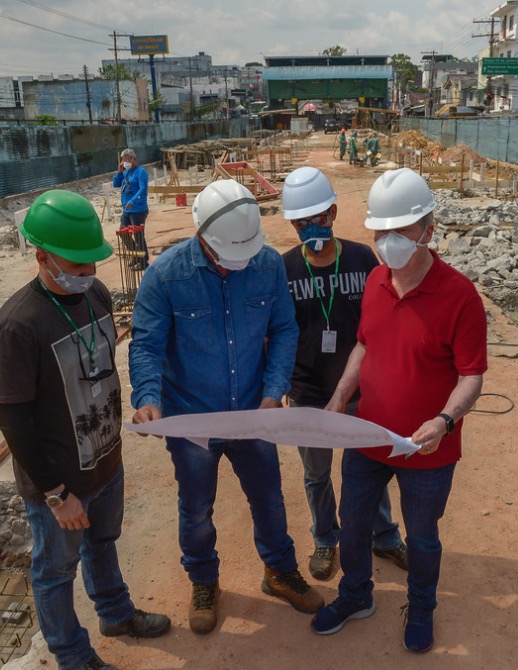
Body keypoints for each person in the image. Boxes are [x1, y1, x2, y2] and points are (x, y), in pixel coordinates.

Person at [129, 178, 323, 635]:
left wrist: (273, 392)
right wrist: (148, 398)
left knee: (269, 498)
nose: (239, 264)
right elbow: (147, 344)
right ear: (202, 235)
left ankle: (280, 572)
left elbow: (284, 329)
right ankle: (204, 582)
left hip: (253, 412)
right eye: (228, 257)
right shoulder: (166, 275)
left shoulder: (267, 264)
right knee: (196, 508)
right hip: (192, 419)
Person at [0, 190, 170, 670]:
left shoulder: (97, 294)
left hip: (105, 461)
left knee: (103, 544)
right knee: (54, 572)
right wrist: (56, 493)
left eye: (92, 262)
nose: (87, 272)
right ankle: (72, 656)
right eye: (75, 264)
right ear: (41, 256)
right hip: (60, 483)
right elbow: (13, 420)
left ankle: (115, 613)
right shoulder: (16, 327)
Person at [310, 168, 487, 653]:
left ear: (428, 229)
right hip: (369, 436)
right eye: (380, 231)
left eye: (400, 230)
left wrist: (443, 421)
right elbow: (364, 344)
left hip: (427, 448)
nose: (388, 241)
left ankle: (422, 607)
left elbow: (471, 376)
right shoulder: (375, 281)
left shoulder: (460, 296)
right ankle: (355, 595)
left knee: (422, 537)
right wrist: (340, 396)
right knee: (353, 521)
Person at [279, 166, 407, 581]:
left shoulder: (362, 259)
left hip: (359, 391)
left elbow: (382, 321)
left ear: (333, 213)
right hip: (308, 392)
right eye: (300, 223)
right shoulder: (284, 269)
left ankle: (383, 536)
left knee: (369, 467)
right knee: (316, 475)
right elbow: (277, 333)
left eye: (316, 218)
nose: (309, 228)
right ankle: (324, 538)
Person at [112, 148, 149, 271]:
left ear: (133, 159)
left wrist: (133, 201)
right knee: (123, 233)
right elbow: (116, 184)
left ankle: (143, 262)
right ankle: (136, 255)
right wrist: (119, 172)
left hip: (138, 210)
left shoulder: (141, 172)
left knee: (138, 236)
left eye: (126, 160)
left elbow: (143, 189)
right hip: (126, 210)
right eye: (123, 160)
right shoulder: (126, 172)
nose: (124, 162)